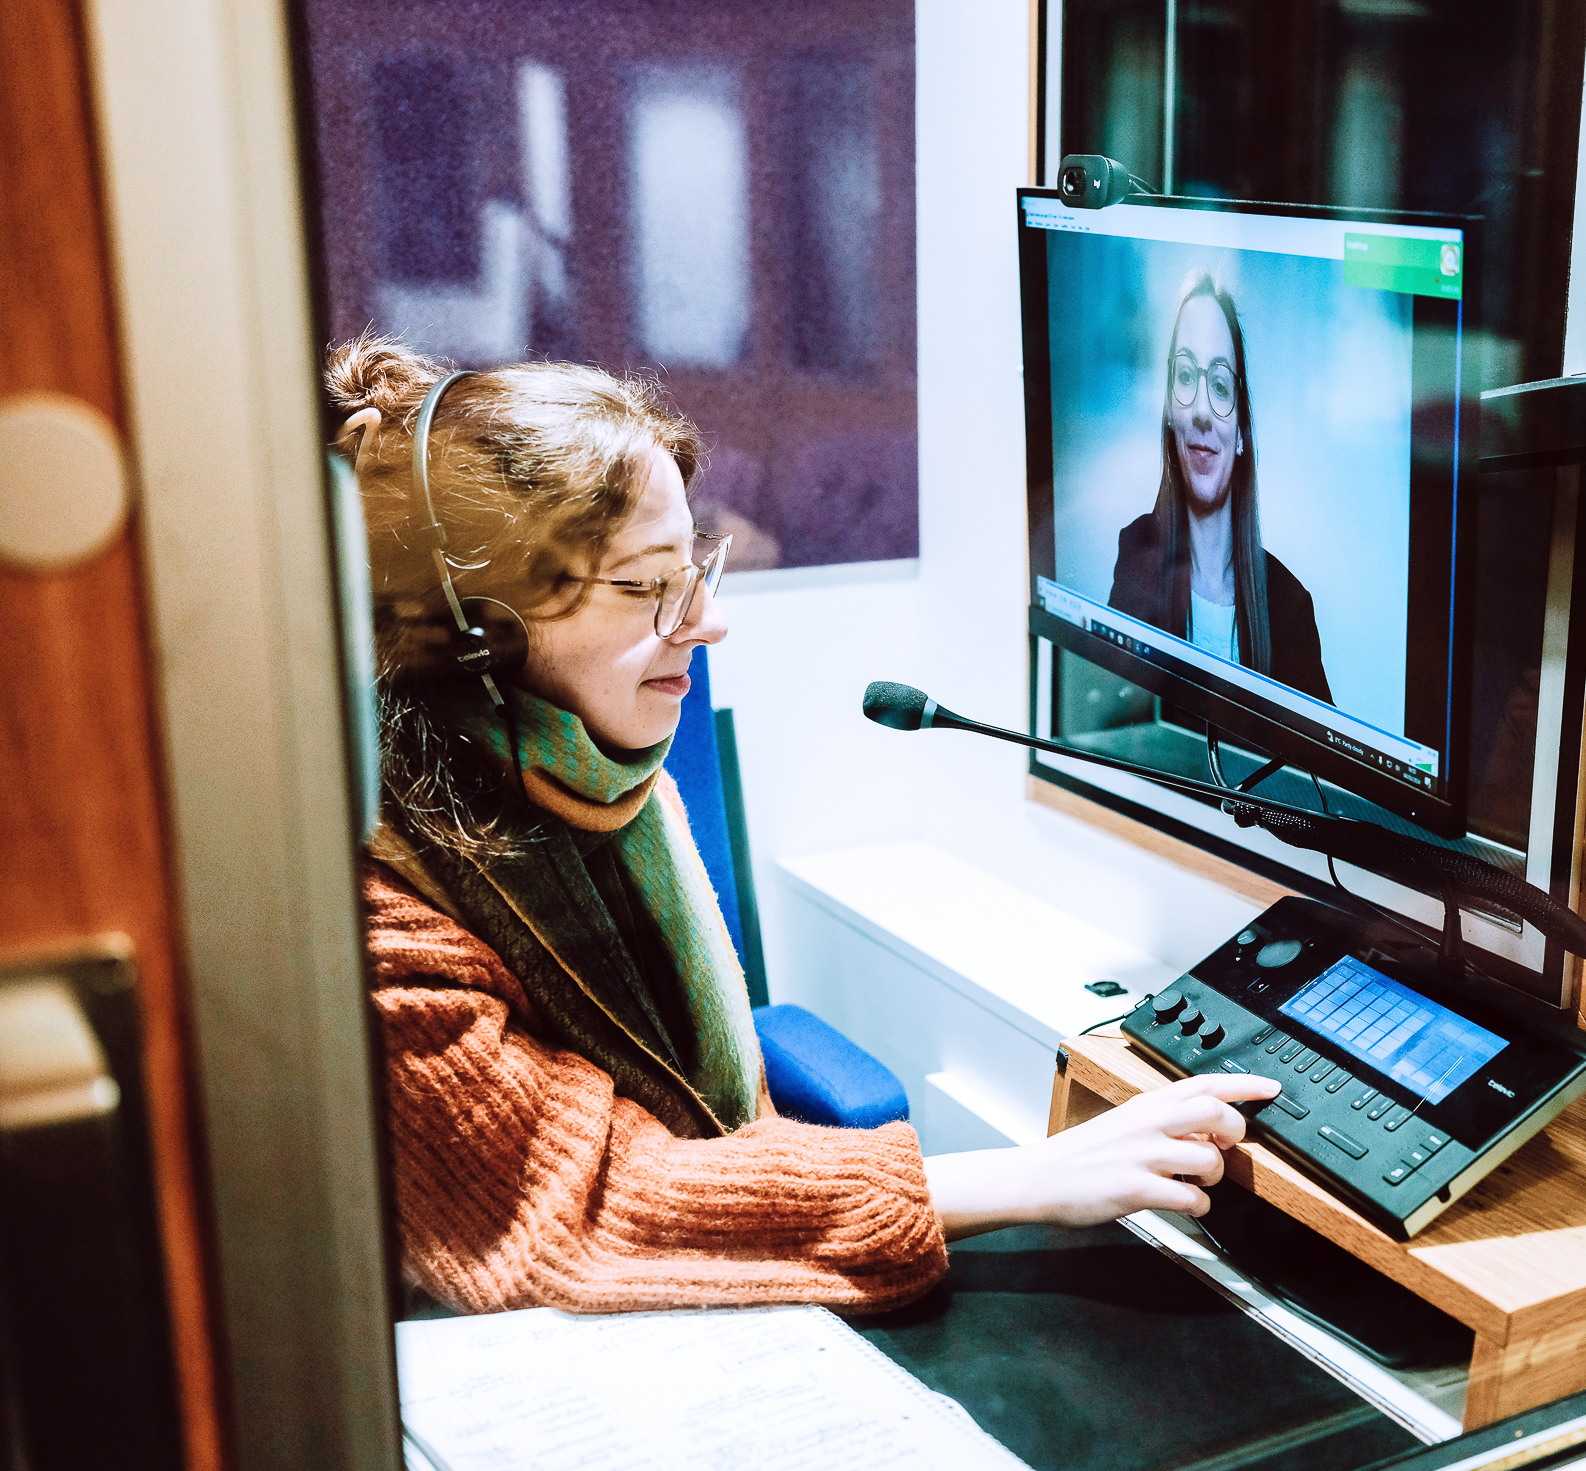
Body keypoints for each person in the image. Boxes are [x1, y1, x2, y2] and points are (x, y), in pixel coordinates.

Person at [329, 336, 1277, 1316]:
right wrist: (1025, 1179)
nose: (707, 621)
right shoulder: (374, 921)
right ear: (476, 636)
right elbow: (587, 1207)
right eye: (645, 584)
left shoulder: (604, 781)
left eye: (695, 566)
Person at [1108, 270, 1332, 703]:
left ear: (1242, 431)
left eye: (1220, 385)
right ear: (1169, 413)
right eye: (1185, 377)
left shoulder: (1290, 606)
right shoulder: (1136, 555)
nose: (1202, 412)